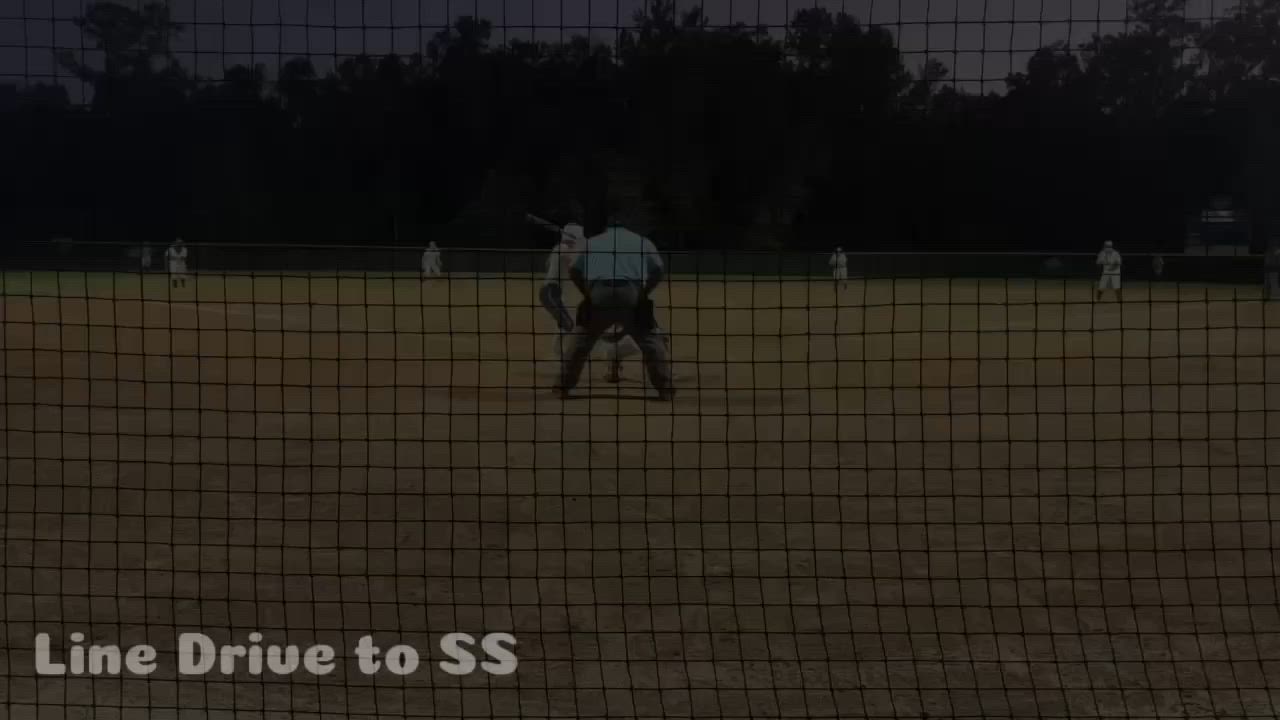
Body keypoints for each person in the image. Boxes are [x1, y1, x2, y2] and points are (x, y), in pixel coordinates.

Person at [557, 223, 673, 400]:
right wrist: (643, 294)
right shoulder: (643, 241)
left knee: (580, 341)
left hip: (599, 293)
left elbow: (574, 270)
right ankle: (665, 388)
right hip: (630, 292)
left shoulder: (592, 242)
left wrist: (587, 294)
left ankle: (562, 385)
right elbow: (658, 269)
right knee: (650, 341)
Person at [540, 224, 585, 358]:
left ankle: (559, 351)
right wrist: (583, 246)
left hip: (554, 293)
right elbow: (573, 261)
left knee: (566, 323)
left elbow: (548, 265)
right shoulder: (563, 248)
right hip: (549, 292)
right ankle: (558, 351)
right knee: (568, 324)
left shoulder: (558, 248)